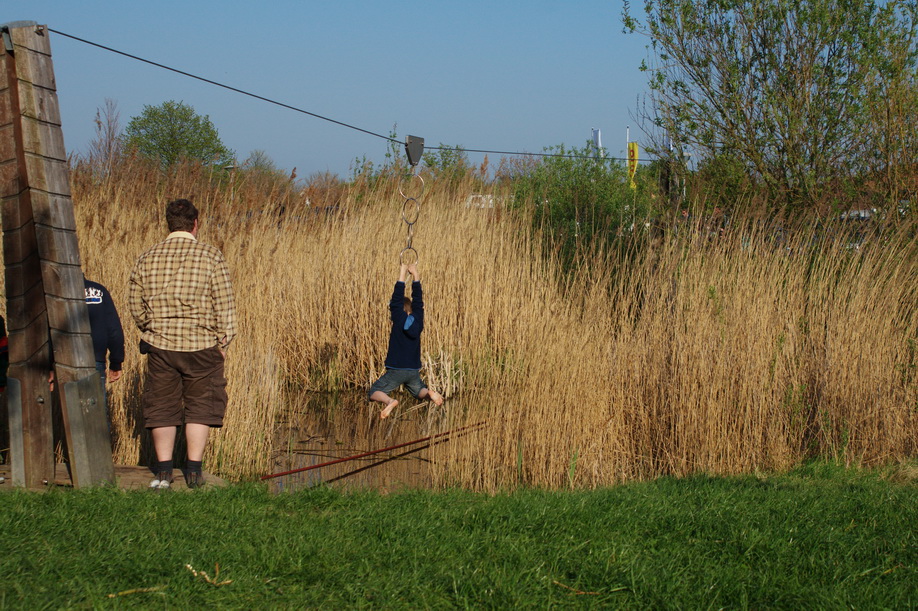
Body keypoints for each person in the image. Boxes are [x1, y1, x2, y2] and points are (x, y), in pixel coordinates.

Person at [129, 199, 237, 489]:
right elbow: (225, 305)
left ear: (168, 223)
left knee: (162, 404)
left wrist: (149, 328)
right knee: (201, 406)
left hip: (161, 344)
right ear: (195, 223)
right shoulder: (211, 256)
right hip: (202, 344)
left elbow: (135, 305)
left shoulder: (147, 257)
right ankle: (193, 471)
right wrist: (223, 341)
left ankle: (163, 470)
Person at [368, 262, 443, 419]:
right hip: (413, 370)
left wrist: (402, 272)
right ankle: (429, 393)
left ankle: (390, 401)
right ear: (411, 309)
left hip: (397, 368)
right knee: (418, 391)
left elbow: (396, 299)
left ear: (398, 310)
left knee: (374, 391)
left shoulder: (398, 317)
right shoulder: (418, 318)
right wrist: (415, 275)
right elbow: (418, 300)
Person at [83, 276, 125, 430]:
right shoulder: (98, 291)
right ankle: (102, 452)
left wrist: (47, 366)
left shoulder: (54, 291)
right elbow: (114, 329)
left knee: (70, 412)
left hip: (61, 361)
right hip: (95, 360)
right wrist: (116, 362)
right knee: (97, 410)